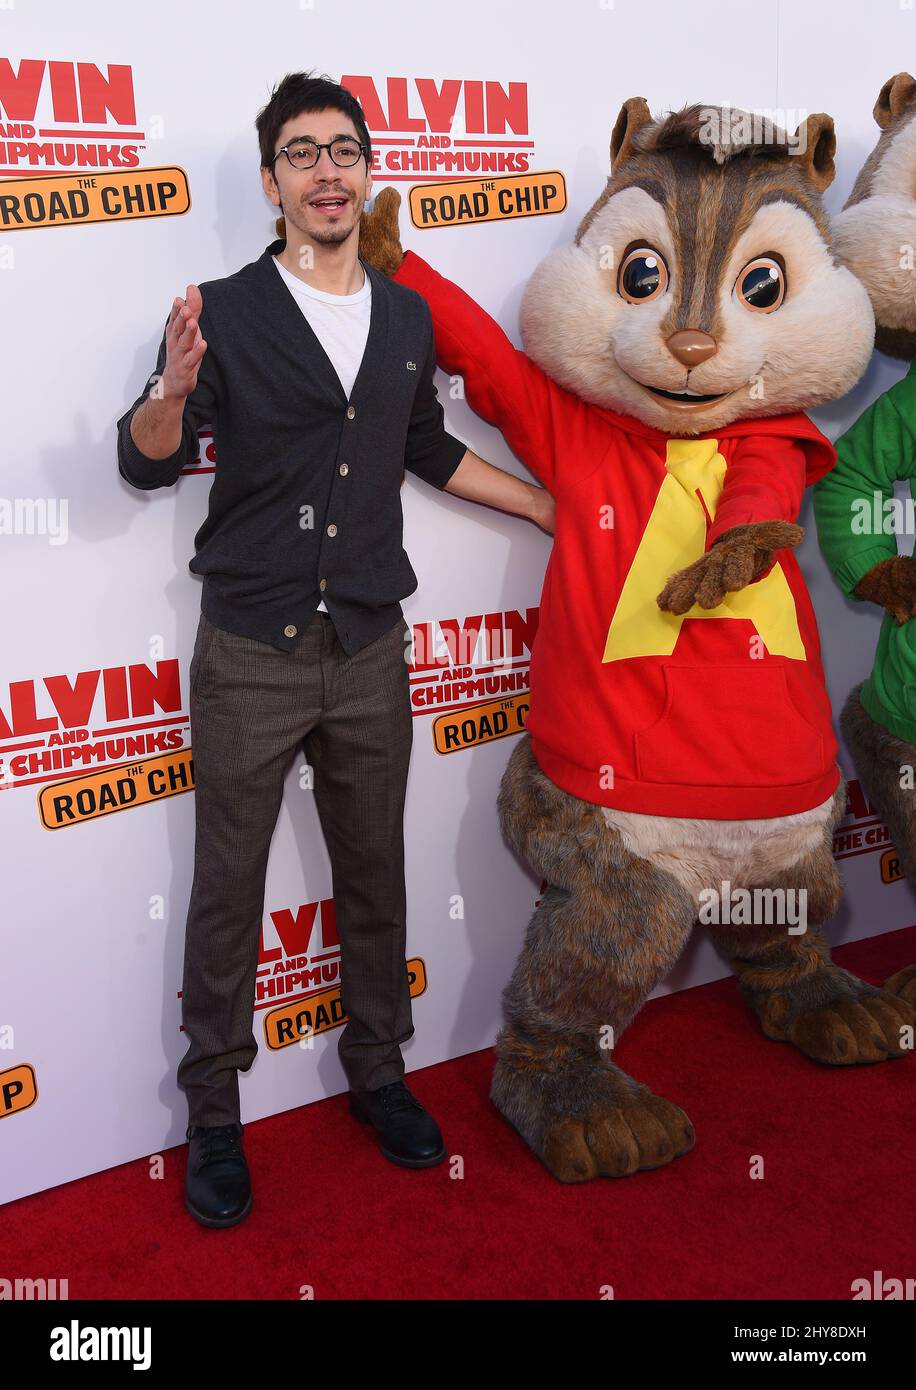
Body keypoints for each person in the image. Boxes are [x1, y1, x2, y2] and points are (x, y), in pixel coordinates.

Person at [116, 71, 554, 1228]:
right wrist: (168, 393)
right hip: (251, 647)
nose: (325, 170)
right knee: (227, 890)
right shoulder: (223, 310)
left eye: (343, 149)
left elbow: (428, 449)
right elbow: (145, 459)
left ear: (368, 171)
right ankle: (213, 1110)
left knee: (374, 873)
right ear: (271, 183)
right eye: (301, 153)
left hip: (369, 641)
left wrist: (553, 510)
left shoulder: (403, 316)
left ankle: (379, 1073)